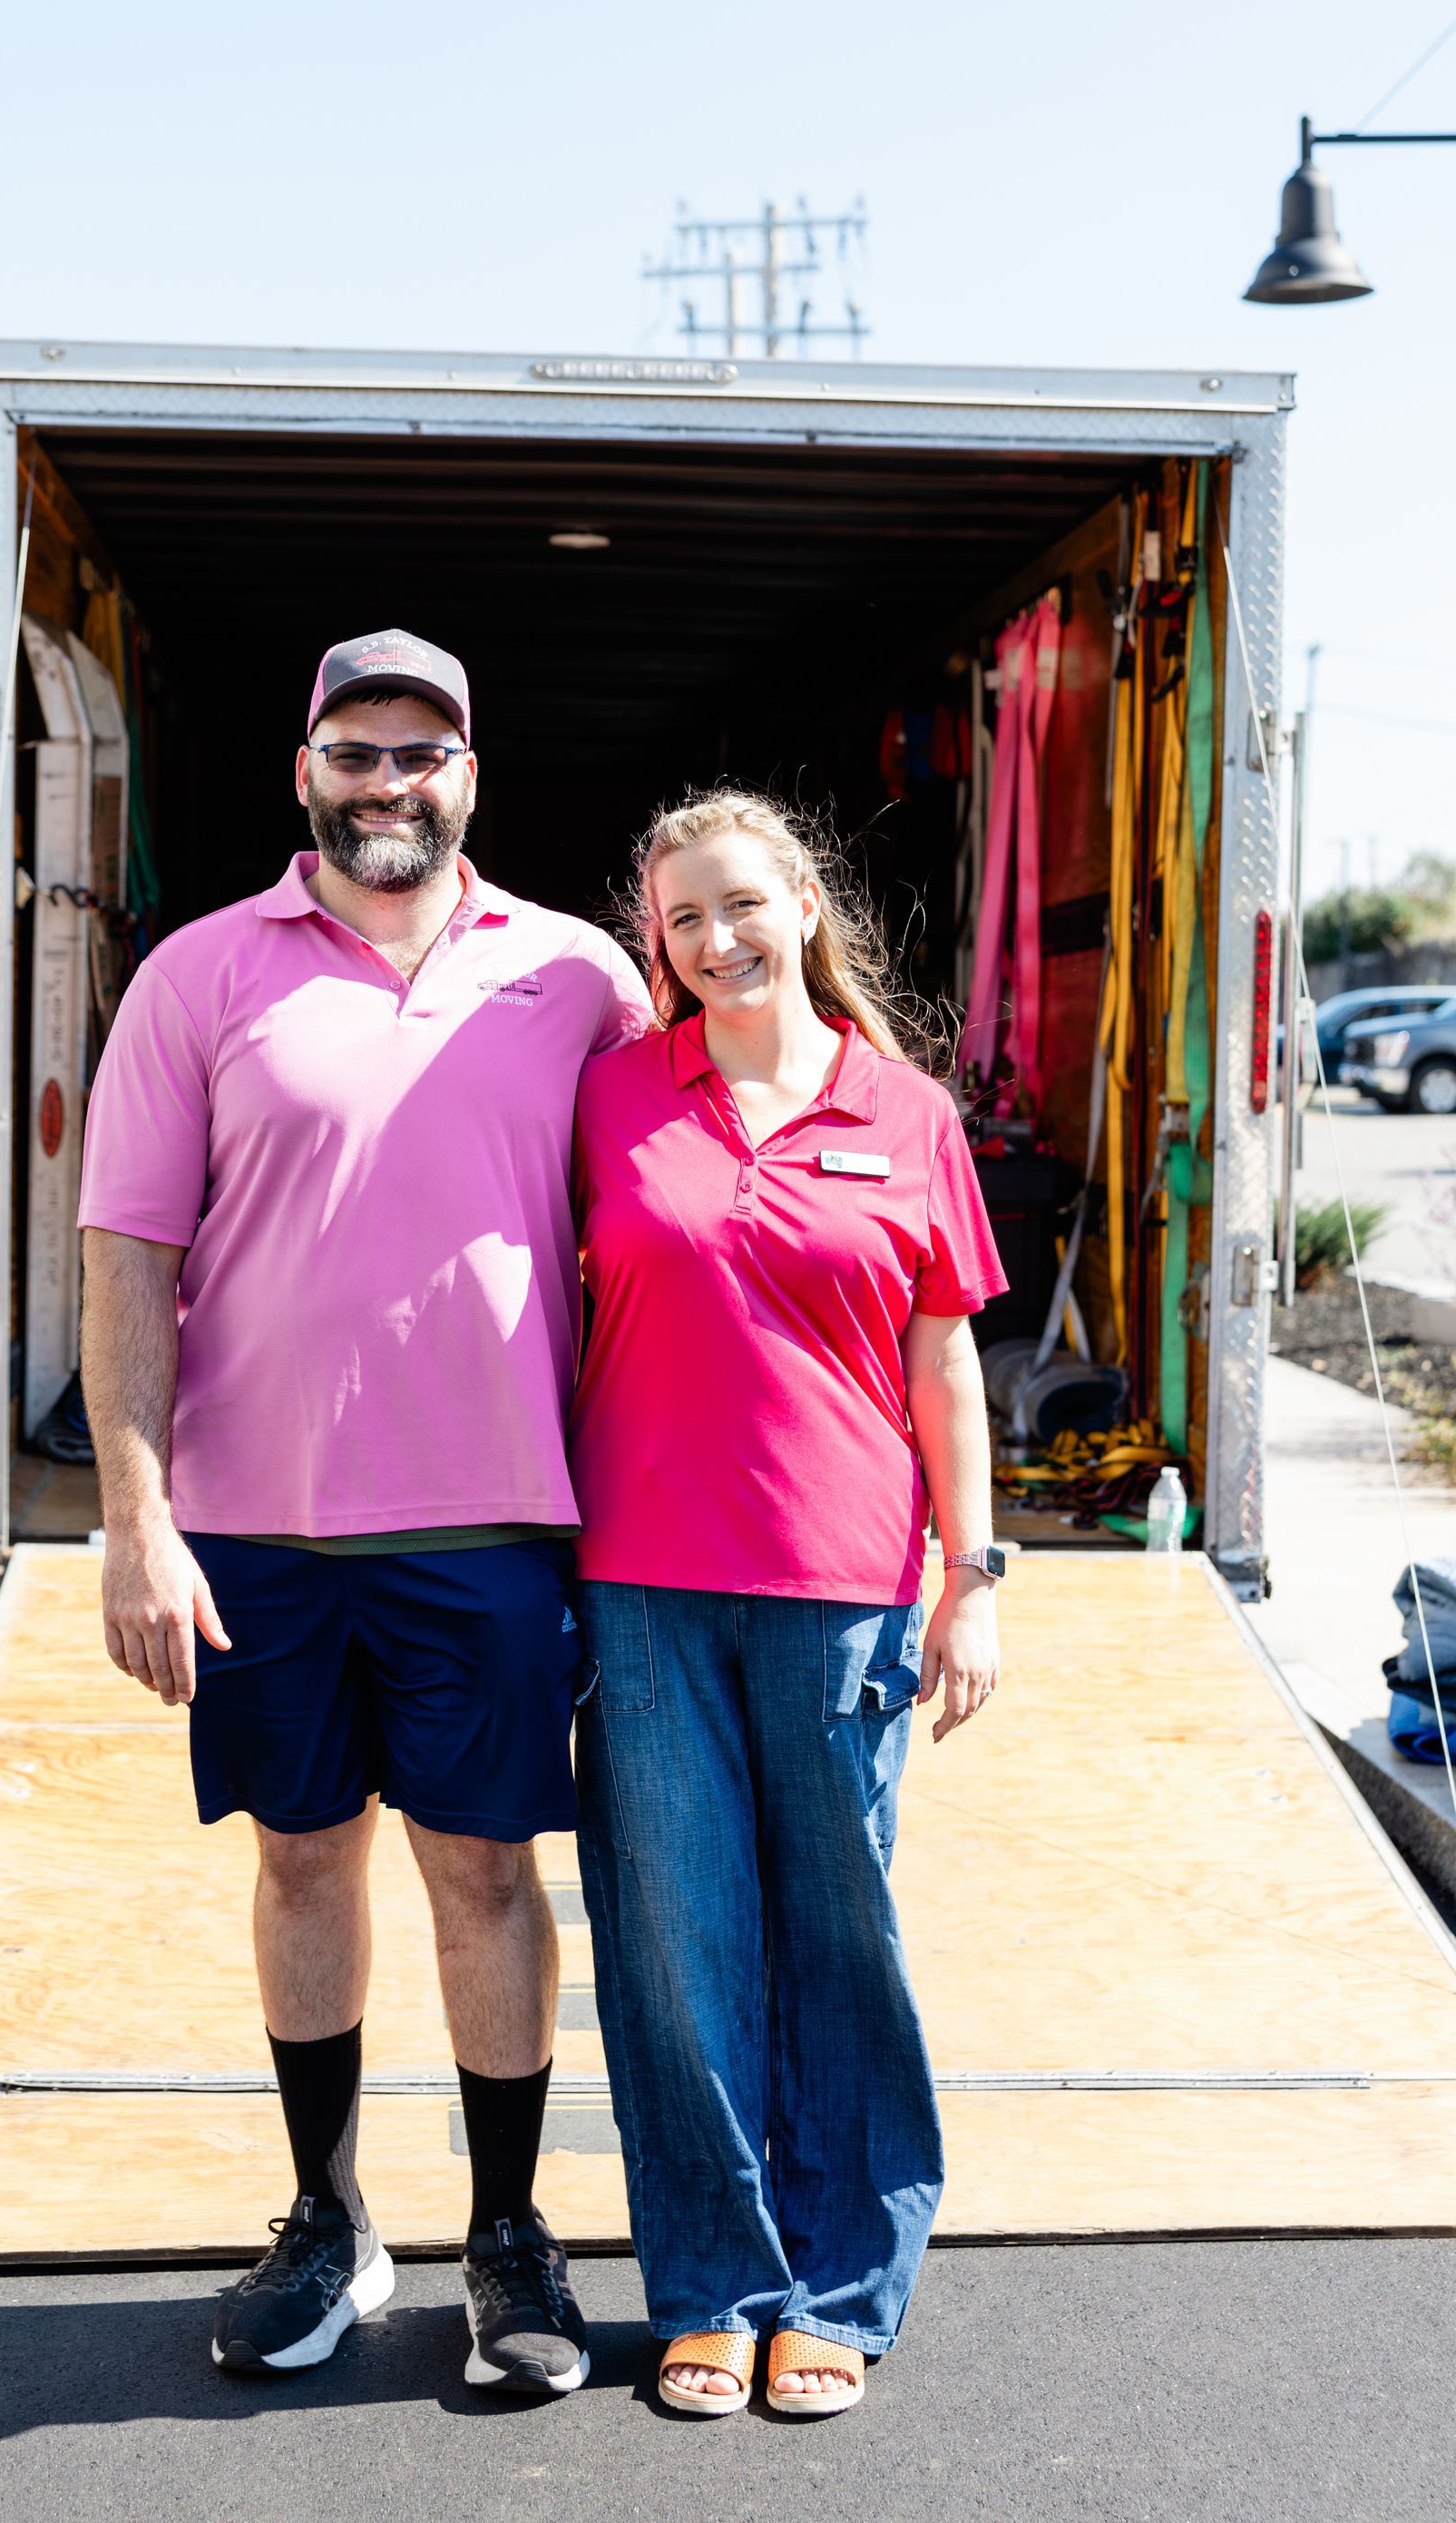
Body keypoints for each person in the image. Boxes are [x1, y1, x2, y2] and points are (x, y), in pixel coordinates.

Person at [77, 629, 650, 2392]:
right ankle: (326, 2218)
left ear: (470, 777)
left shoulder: (579, 979)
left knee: (486, 1871)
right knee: (302, 1855)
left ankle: (508, 2234)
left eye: (421, 754)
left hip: (492, 1525)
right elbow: (126, 1257)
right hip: (260, 1533)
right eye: (357, 752)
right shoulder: (198, 976)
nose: (387, 782)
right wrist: (136, 1520)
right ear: (305, 773)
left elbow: (674, 1224)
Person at [567, 789, 1006, 2419]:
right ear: (658, 944)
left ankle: (837, 2283)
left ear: (805, 903)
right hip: (640, 1585)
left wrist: (973, 1579)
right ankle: (714, 2286)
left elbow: (944, 1362)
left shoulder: (908, 1113)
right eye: (682, 918)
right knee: (674, 1948)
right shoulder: (613, 1097)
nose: (716, 938)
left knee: (839, 1938)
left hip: (845, 1590)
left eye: (741, 903)